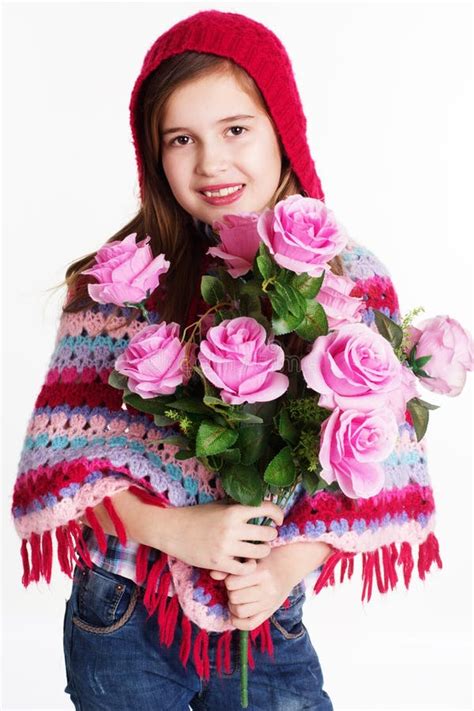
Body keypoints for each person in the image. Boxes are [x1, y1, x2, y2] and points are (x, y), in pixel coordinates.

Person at [11, 10, 443, 710]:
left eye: (236, 129)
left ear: (284, 130)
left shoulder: (349, 282)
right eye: (181, 139)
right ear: (154, 155)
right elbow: (65, 471)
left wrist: (285, 568)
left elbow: (371, 460)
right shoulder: (119, 283)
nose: (211, 162)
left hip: (262, 615)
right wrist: (173, 528)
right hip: (123, 608)